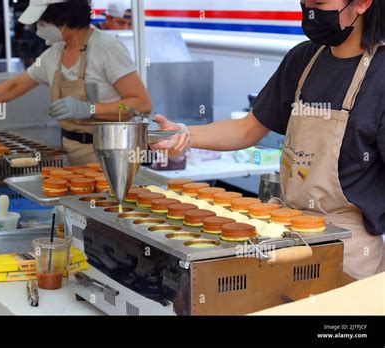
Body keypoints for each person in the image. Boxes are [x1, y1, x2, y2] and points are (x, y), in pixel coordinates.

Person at [152, 0, 385, 280]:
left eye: (320, 2)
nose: (310, 10)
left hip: (350, 249)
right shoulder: (303, 60)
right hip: (286, 233)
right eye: (305, 2)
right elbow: (247, 129)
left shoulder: (380, 74)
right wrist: (185, 134)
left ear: (362, 3)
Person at [0, 0, 151, 166]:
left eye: (42, 21)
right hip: (72, 150)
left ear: (64, 19)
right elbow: (14, 86)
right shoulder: (54, 54)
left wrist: (91, 109)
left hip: (114, 153)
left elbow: (140, 104)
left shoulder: (106, 48)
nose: (38, 28)